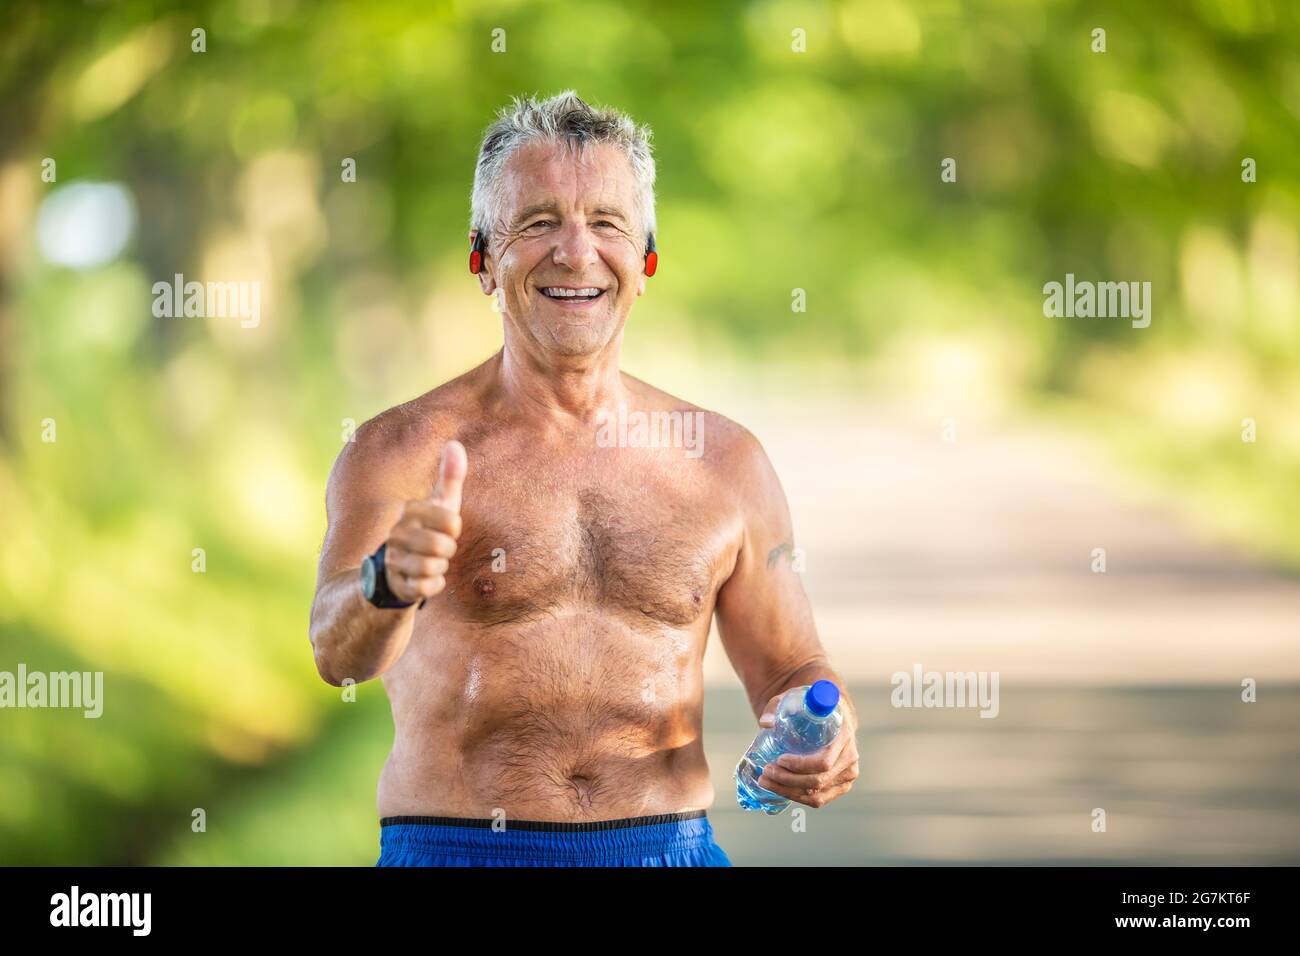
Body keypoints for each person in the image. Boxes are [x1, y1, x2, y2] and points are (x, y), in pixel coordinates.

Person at [308, 90, 859, 866]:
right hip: (457, 848)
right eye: (537, 223)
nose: (575, 251)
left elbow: (793, 668)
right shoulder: (399, 450)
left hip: (670, 847)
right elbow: (338, 654)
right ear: (481, 261)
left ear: (646, 263)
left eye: (607, 223)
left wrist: (820, 726)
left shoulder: (726, 462)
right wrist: (387, 581)